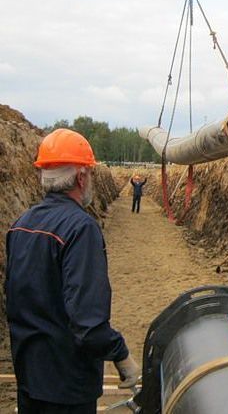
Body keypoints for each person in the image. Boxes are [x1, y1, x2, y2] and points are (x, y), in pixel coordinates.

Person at [6, 128, 140, 413]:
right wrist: (121, 354)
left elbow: (18, 301)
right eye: (89, 173)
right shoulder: (80, 229)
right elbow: (88, 323)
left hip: (28, 376)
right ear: (81, 177)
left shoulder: (20, 224)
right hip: (67, 387)